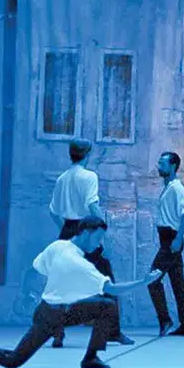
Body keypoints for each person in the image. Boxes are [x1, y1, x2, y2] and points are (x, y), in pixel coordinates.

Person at [0, 217, 161, 368]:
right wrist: (144, 282)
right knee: (13, 360)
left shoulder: (58, 246)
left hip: (61, 310)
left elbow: (36, 269)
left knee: (106, 306)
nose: (99, 244)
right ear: (86, 232)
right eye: (98, 238)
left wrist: (33, 294)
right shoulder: (77, 262)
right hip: (50, 317)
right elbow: (111, 289)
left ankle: (91, 357)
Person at [47, 139, 132, 347]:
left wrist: (66, 229)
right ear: (87, 154)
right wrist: (102, 229)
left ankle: (57, 333)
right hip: (86, 230)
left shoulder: (62, 178)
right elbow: (92, 204)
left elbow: (53, 211)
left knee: (62, 281)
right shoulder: (89, 176)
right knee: (106, 279)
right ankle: (113, 331)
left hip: (68, 230)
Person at [149, 151, 184, 336]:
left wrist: (178, 239)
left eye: (163, 163)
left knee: (152, 280)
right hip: (167, 239)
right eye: (159, 163)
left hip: (171, 240)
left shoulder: (176, 188)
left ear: (173, 166)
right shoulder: (168, 187)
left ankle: (165, 320)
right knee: (178, 283)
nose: (159, 166)